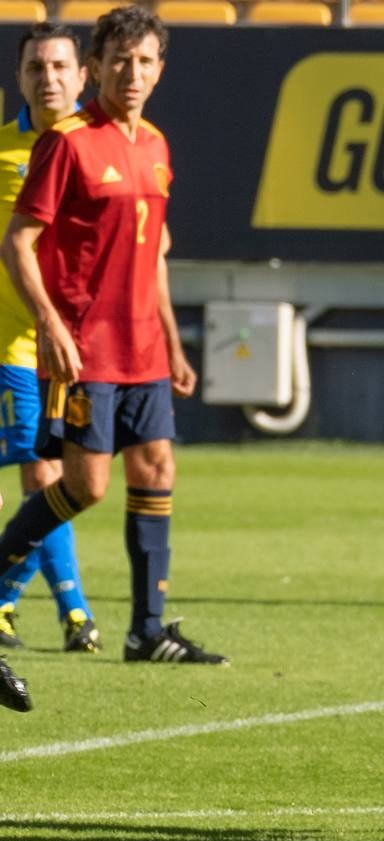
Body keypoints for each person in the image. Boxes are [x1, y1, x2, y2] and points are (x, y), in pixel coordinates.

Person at [0, 7, 227, 665]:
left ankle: (147, 630)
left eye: (146, 61)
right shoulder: (67, 142)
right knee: (85, 485)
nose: (133, 73)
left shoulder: (155, 145)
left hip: (144, 351)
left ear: (160, 69)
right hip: (83, 347)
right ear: (95, 67)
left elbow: (153, 253)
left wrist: (175, 344)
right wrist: (49, 324)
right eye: (120, 61)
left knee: (157, 470)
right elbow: (19, 240)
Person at [0, 22, 99, 654]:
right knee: (45, 476)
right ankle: (72, 613)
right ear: (20, 77)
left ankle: (25, 602)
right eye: (37, 67)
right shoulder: (4, 152)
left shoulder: (100, 148)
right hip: (16, 349)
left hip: (84, 354)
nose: (49, 78)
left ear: (82, 76)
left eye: (61, 67)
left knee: (65, 480)